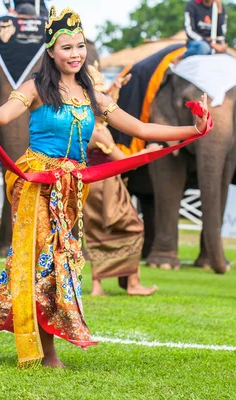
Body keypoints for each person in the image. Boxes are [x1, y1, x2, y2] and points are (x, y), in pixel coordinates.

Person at [0, 6, 210, 368]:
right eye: (66, 47)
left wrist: (194, 131)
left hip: (70, 190)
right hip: (36, 185)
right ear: (51, 51)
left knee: (31, 268)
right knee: (46, 266)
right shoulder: (35, 88)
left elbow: (143, 130)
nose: (75, 54)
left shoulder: (93, 95)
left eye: (80, 46)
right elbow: (1, 117)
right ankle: (48, 352)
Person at [84, 64, 159, 297]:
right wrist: (149, 151)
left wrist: (115, 87)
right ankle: (133, 284)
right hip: (105, 185)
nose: (107, 102)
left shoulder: (85, 126)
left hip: (90, 184)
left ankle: (97, 286)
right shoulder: (100, 132)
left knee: (96, 233)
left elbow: (105, 106)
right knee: (134, 228)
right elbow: (123, 160)